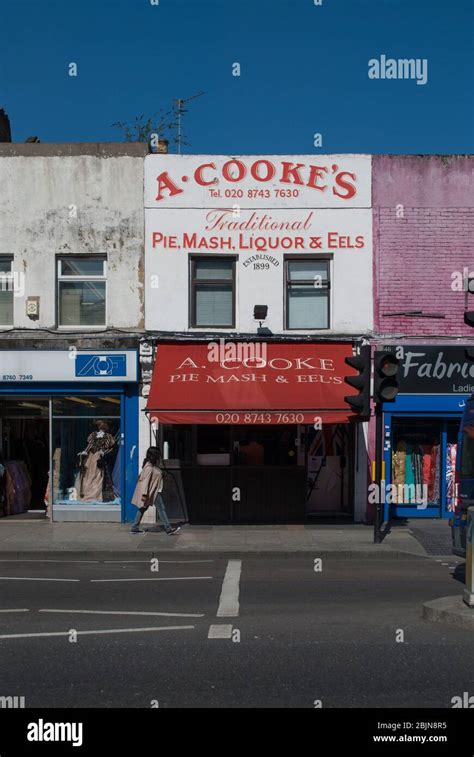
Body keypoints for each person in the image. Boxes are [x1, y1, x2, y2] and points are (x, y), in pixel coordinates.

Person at [130, 446, 180, 535]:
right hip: (152, 492)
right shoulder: (149, 467)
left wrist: (161, 475)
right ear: (154, 456)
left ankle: (134, 527)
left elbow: (156, 472)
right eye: (157, 455)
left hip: (152, 491)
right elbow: (145, 482)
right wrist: (144, 496)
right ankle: (168, 529)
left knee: (142, 508)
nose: (159, 457)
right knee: (161, 509)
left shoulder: (151, 465)